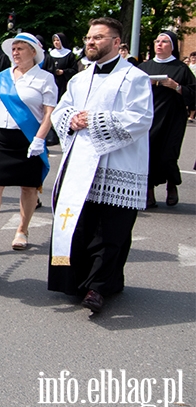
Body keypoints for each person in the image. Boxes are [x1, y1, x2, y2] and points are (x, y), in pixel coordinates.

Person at [48, 17, 153, 313]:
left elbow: (141, 118)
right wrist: (72, 118)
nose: (91, 42)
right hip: (81, 165)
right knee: (81, 226)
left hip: (117, 165)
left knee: (111, 232)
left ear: (117, 42)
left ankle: (100, 287)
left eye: (99, 37)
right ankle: (76, 281)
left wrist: (90, 119)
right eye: (89, 37)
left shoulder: (135, 78)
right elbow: (61, 110)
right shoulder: (79, 78)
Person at [0, 33, 57, 253]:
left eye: (20, 49)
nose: (15, 53)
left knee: (29, 187)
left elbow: (48, 113)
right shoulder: (3, 77)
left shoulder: (44, 79)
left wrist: (40, 139)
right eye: (13, 49)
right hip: (4, 138)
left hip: (29, 138)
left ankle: (22, 230)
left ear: (33, 52)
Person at [137, 30, 196, 208]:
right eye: (157, 41)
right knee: (148, 153)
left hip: (173, 117)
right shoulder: (144, 68)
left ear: (172, 46)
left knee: (169, 154)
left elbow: (193, 94)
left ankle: (172, 184)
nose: (159, 44)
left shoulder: (180, 68)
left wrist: (176, 87)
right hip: (150, 116)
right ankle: (149, 192)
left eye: (164, 41)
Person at [45, 33, 78, 98]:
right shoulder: (50, 54)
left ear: (62, 41)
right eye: (54, 40)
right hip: (52, 82)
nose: (56, 42)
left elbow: (74, 70)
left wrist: (63, 72)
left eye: (58, 40)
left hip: (64, 83)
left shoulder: (69, 54)